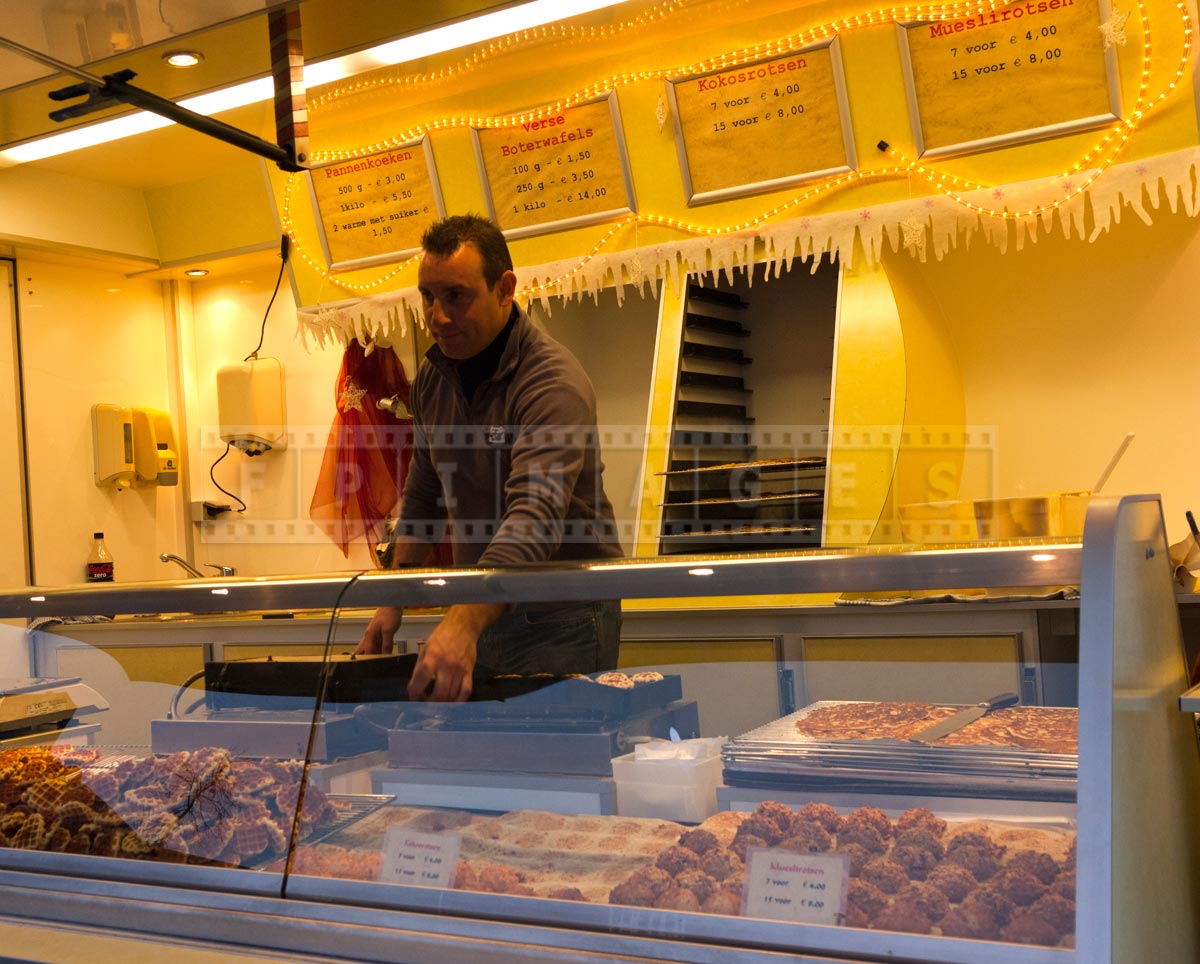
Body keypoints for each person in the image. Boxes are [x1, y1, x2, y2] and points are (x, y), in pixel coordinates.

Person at [356, 214, 623, 701]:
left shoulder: (551, 382)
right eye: (427, 297)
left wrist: (462, 620)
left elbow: (534, 518)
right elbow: (423, 495)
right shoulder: (433, 379)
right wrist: (391, 600)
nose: (437, 316)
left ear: (504, 289)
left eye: (456, 296)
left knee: (550, 748)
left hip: (561, 617)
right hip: (481, 607)